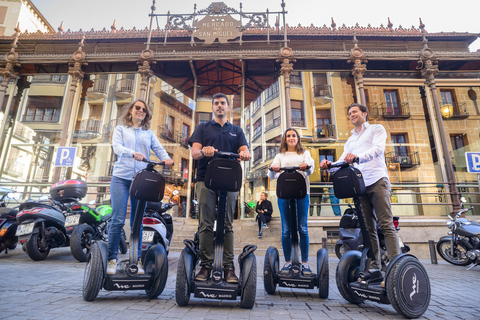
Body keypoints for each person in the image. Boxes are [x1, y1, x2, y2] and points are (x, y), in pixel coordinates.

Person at [320, 103, 400, 280]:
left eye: (354, 112)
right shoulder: (351, 140)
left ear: (365, 113)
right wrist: (328, 165)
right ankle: (374, 268)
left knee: (386, 224)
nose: (351, 115)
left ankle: (396, 267)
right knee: (367, 228)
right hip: (360, 185)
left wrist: (357, 158)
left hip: (377, 180)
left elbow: (378, 150)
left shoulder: (376, 129)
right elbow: (342, 161)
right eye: (349, 113)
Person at [188, 93, 251, 283]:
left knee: (227, 225)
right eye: (216, 103)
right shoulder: (203, 128)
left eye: (223, 103)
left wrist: (246, 153)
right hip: (205, 180)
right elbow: (195, 152)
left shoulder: (236, 130)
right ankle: (206, 266)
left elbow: (244, 150)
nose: (219, 106)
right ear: (212, 108)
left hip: (229, 180)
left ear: (228, 108)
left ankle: (228, 267)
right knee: (205, 224)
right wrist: (204, 151)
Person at [106, 99, 173, 275]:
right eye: (137, 108)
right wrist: (132, 153)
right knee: (118, 220)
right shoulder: (120, 129)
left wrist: (167, 159)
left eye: (144, 109)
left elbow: (159, 149)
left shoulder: (148, 133)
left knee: (138, 222)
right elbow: (117, 148)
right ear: (130, 111)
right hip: (121, 178)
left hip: (140, 181)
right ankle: (111, 259)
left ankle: (136, 260)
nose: (140, 111)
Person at [268, 128, 315, 276]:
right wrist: (274, 169)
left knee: (303, 228)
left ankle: (305, 263)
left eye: (293, 135)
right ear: (285, 139)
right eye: (288, 136)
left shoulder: (305, 154)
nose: (291, 138)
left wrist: (306, 166)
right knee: (286, 229)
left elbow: (310, 169)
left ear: (297, 138)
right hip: (284, 195)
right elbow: (271, 174)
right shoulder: (280, 155)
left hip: (302, 194)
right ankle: (288, 262)